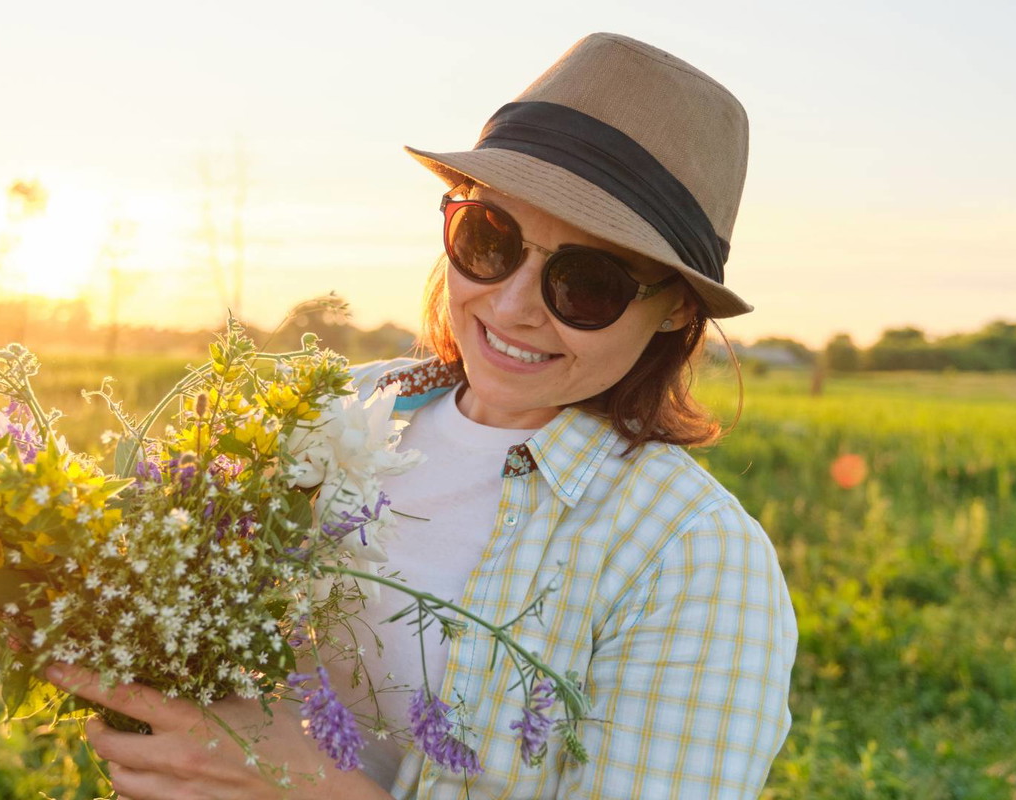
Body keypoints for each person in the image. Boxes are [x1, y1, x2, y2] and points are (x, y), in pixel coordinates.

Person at [50, 32, 797, 799]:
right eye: (489, 239)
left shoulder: (693, 556)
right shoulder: (341, 404)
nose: (510, 307)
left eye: (587, 284)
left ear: (675, 308)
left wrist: (308, 788)